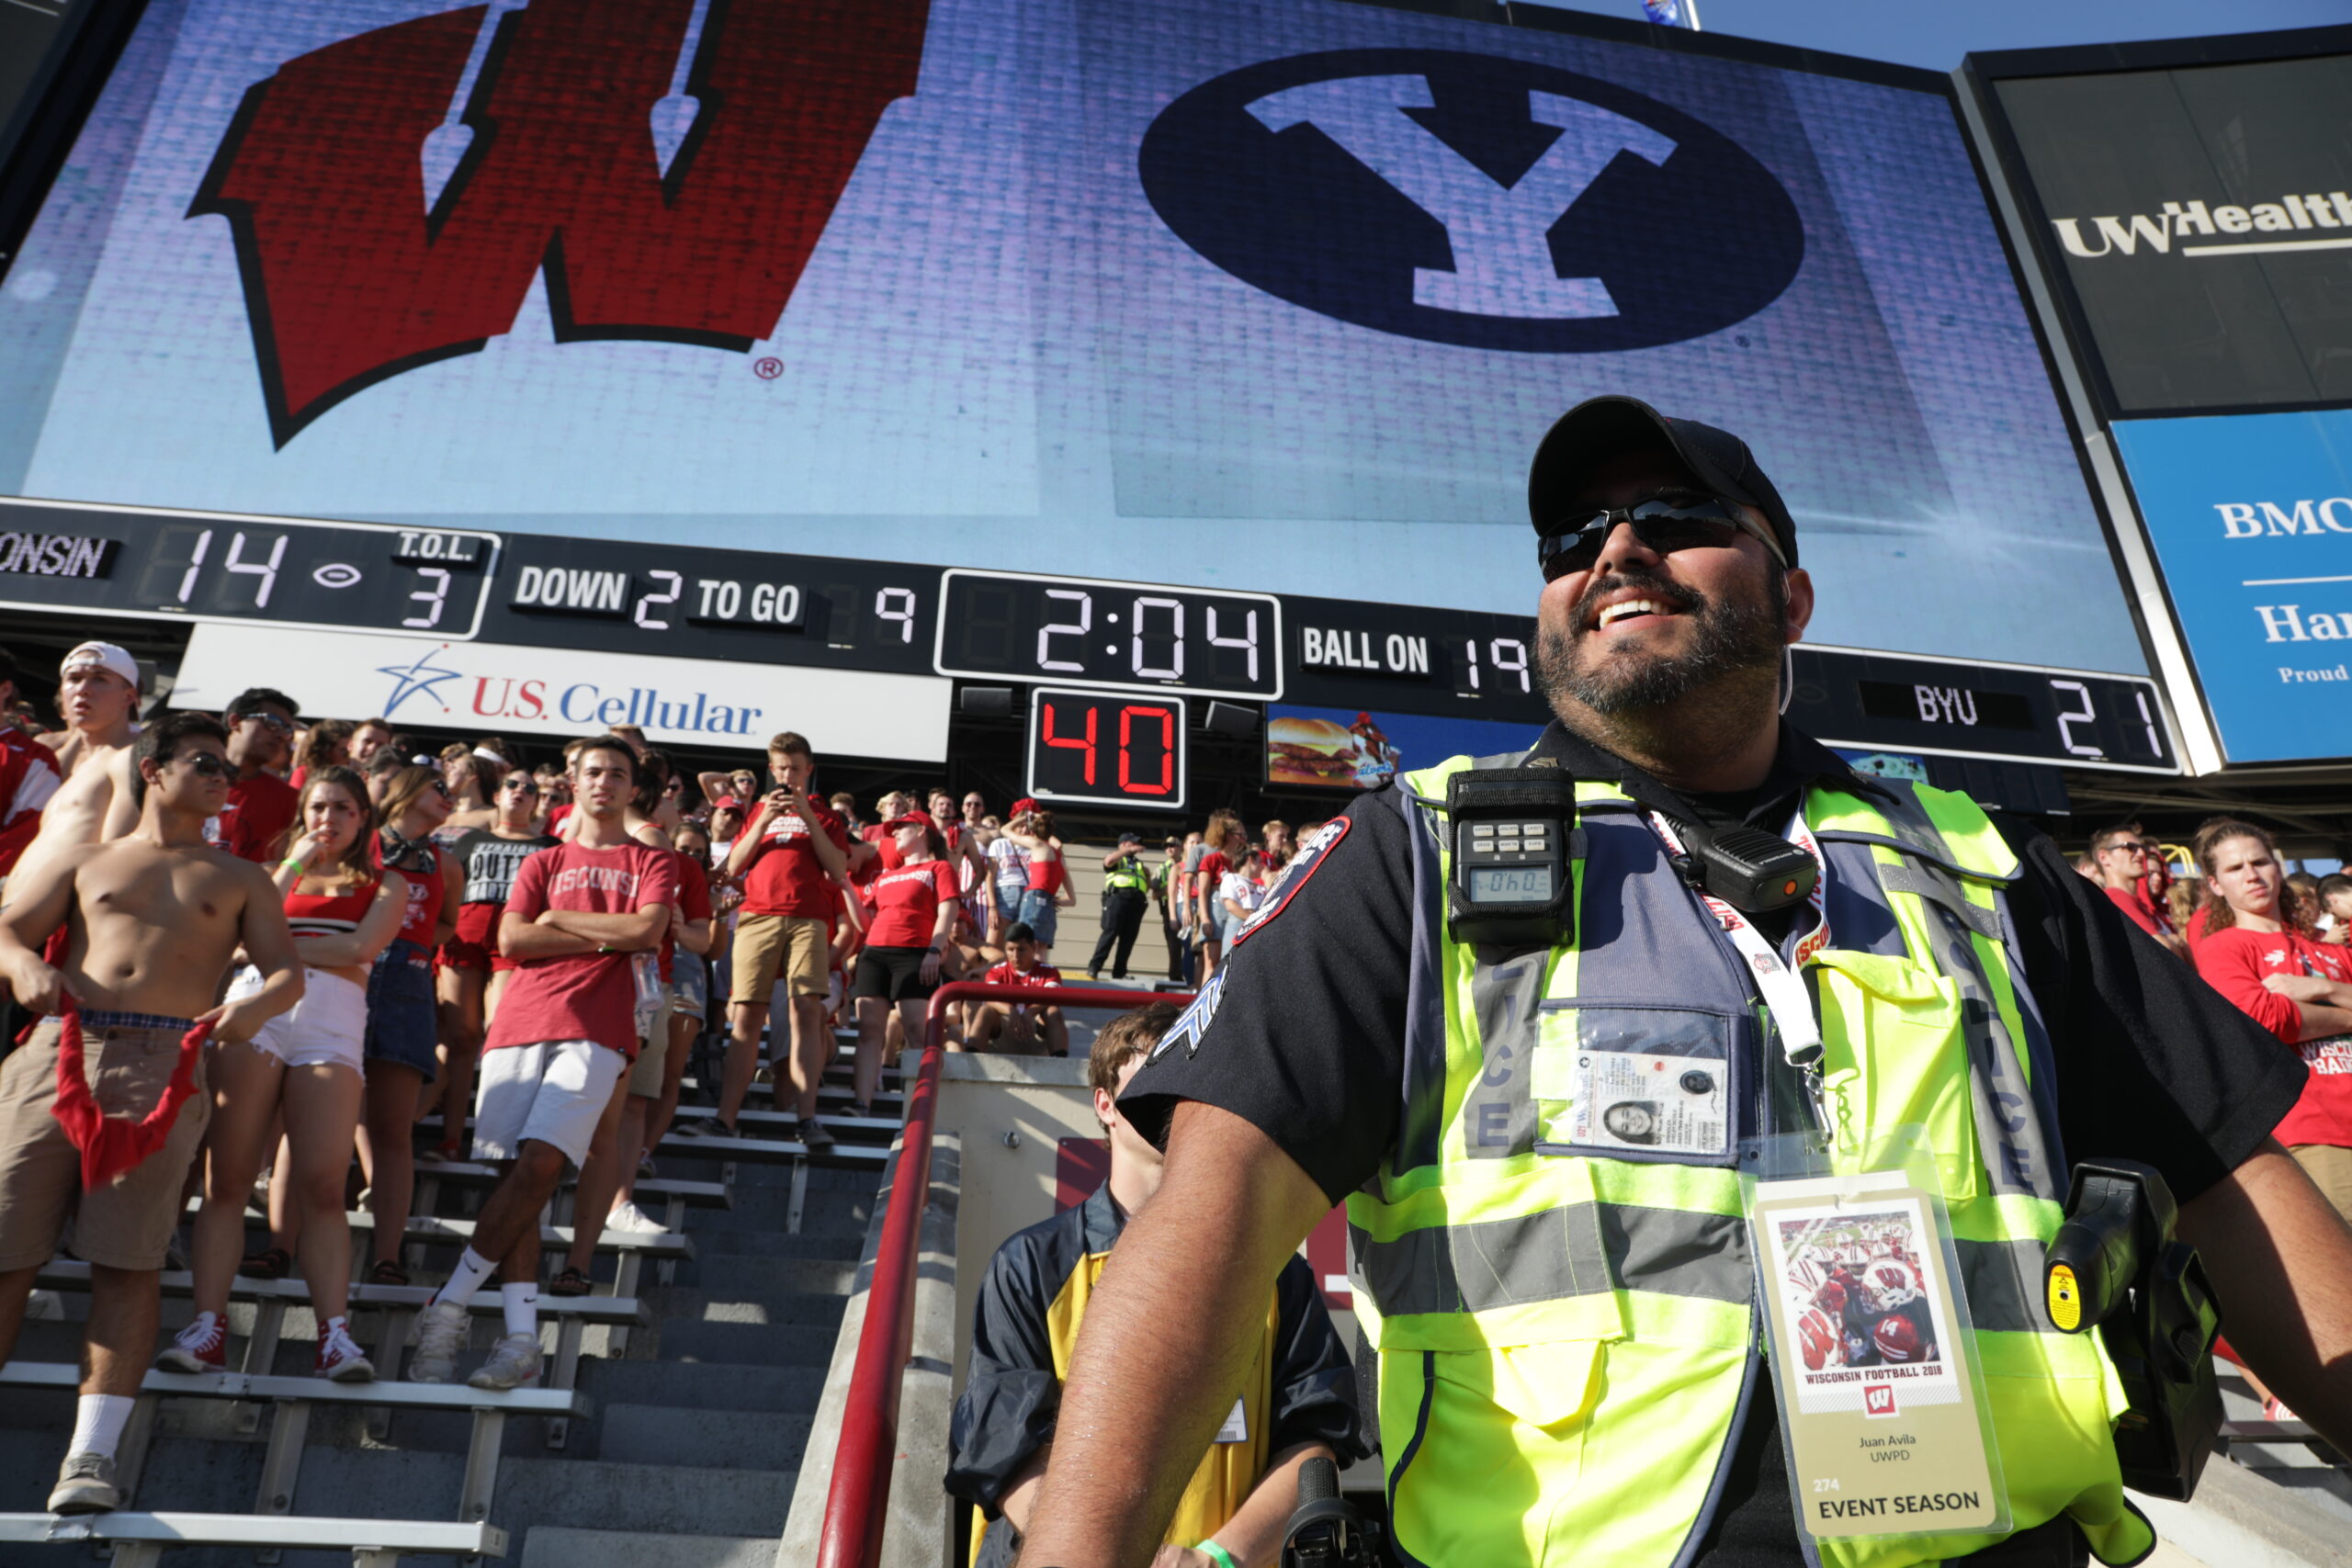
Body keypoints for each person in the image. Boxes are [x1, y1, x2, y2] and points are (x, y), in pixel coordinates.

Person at [1015, 396, 2352, 1568]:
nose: (1614, 550)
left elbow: (2234, 1183)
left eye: (1677, 513)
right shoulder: (1411, 855)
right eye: (1571, 539)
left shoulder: (1986, 867)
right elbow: (1207, 1227)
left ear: (1792, 594)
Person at [0, 712, 300, 1513]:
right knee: (4, 1248)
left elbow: (287, 975)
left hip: (167, 1060)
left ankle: (91, 1457)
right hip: (61, 1051)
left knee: (128, 1262)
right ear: (153, 769)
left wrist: (256, 1006)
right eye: (204, 762)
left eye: (226, 771)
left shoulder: (242, 876)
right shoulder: (84, 856)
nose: (221, 778)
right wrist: (23, 960)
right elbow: (6, 931)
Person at [945, 1002, 1363, 1568]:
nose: (1181, 1089)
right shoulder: (1031, 1266)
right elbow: (1004, 1451)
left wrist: (1217, 1559)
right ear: (1105, 1105)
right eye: (1158, 1067)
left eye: (1196, 1070)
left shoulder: (1278, 1270)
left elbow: (1318, 1443)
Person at [406, 736, 673, 1390]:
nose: (604, 782)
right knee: (512, 1178)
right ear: (574, 783)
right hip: (519, 1020)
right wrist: (593, 930)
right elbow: (512, 936)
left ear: (633, 787)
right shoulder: (543, 858)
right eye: (592, 772)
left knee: (542, 1163)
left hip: (599, 1027)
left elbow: (645, 931)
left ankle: (448, 1303)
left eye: (617, 773)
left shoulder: (651, 859)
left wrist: (561, 918)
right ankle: (522, 1337)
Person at [164, 766, 405, 1381]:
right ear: (304, 813)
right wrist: (292, 868)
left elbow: (358, 951)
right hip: (257, 1014)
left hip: (332, 1023)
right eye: (319, 806)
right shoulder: (272, 875)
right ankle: (208, 1325)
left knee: (325, 1184)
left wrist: (272, 949)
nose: (329, 819)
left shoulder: (387, 882)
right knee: (229, 1177)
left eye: (344, 808)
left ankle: (336, 1336)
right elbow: (242, 932)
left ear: (363, 818)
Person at [2188, 820, 2352, 1226]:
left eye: (2260, 861)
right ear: (2215, 884)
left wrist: (2318, 988)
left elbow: (2282, 1013)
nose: (2251, 874)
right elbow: (2262, 1018)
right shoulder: (2224, 947)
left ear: (2277, 867)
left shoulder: (2330, 947)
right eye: (2235, 868)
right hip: (2313, 1132)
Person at [710, 733, 858, 1147]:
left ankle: (806, 1116)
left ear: (808, 770)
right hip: (757, 917)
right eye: (781, 767)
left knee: (805, 1015)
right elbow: (734, 867)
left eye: (795, 768)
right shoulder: (757, 811)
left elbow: (838, 871)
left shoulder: (827, 816)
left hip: (808, 919)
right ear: (771, 770)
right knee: (746, 1018)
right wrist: (762, 821)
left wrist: (808, 818)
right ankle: (725, 1118)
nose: (788, 775)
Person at [356, 764, 461, 1286]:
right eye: (440, 788)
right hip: (349, 977)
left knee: (394, 1131)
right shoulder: (360, 843)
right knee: (318, 1121)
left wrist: (405, 936)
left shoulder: (445, 862)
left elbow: (447, 924)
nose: (450, 798)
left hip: (408, 985)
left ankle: (388, 1256)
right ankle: (284, 1245)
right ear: (409, 790)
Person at [433, 771, 558, 1162]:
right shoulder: (471, 841)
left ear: (539, 801)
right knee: (461, 1037)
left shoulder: (551, 846)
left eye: (530, 788)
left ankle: (492, 1140)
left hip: (515, 939)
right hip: (464, 934)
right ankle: (451, 1139)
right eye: (512, 785)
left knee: (498, 1033)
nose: (520, 792)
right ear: (498, 795)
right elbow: (449, 888)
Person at [852, 809, 960, 1111]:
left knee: (916, 1031)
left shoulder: (940, 868)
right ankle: (862, 1102)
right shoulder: (886, 875)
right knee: (868, 1030)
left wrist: (934, 951)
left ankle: (923, 1108)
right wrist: (844, 885)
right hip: (874, 952)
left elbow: (947, 913)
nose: (895, 833)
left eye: (901, 827)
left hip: (914, 952)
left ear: (922, 830)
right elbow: (865, 919)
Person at [15, 642, 139, 887]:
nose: (83, 689)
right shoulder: (52, 758)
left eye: (99, 679)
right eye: (74, 679)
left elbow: (116, 856)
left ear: (128, 696)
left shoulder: (134, 757)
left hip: (69, 909)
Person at [211, 688, 301, 863]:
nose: (282, 736)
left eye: (287, 729)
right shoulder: (190, 782)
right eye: (271, 722)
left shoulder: (288, 800)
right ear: (235, 721)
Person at [2086, 822, 2185, 958]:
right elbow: (2163, 949)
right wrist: (2174, 941)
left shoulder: (2137, 903)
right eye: (2130, 847)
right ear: (2104, 857)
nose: (2142, 853)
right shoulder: (2117, 898)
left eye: (2142, 847)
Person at [966, 922, 1066, 1056]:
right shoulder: (996, 971)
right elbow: (990, 999)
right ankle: (972, 1059)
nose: (1015, 955)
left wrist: (1029, 1012)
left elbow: (1053, 996)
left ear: (1034, 947)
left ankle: (1060, 1061)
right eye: (1010, 949)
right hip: (1004, 1030)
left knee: (1053, 1011)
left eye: (1021, 949)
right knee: (986, 1010)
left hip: (1036, 1031)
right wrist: (1011, 1010)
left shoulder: (1049, 971)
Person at [1007, 808, 1074, 956]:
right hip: (1049, 904)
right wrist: (1051, 901)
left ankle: (1026, 979)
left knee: (1025, 946)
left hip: (1033, 899)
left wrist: (1027, 817)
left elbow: (1005, 830)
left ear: (1033, 831)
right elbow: (1071, 900)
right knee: (1041, 949)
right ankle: (1040, 979)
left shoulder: (1037, 845)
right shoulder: (1059, 856)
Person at [1087, 833, 1152, 982]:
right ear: (1123, 844)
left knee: (1128, 939)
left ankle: (1119, 972)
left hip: (1137, 901)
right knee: (1110, 933)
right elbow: (1109, 861)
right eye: (1133, 844)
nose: (1136, 846)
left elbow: (1146, 888)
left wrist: (1147, 876)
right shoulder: (1116, 857)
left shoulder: (1139, 864)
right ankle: (1094, 967)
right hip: (1118, 898)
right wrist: (1128, 851)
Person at [1189, 813, 1244, 983]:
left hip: (1236, 910)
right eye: (1240, 835)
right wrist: (1205, 918)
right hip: (1215, 910)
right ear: (1229, 836)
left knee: (1231, 962)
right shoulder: (1211, 859)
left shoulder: (1241, 862)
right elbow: (1203, 891)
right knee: (1211, 963)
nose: (1244, 839)